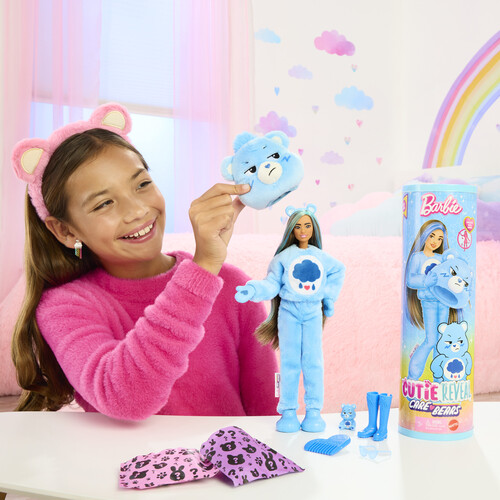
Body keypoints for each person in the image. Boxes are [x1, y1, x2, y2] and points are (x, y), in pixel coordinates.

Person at [10, 102, 277, 420]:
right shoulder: (65, 307)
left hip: (228, 454)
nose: (137, 211)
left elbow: (268, 413)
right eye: (104, 203)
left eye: (142, 184)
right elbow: (125, 399)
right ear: (65, 231)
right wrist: (202, 269)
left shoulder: (235, 287)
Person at [235, 204, 345, 433]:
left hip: (313, 311)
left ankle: (313, 411)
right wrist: (253, 290)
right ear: (291, 230)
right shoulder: (282, 258)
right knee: (289, 362)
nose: (303, 230)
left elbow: (339, 270)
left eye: (307, 226)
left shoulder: (321, 257)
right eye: (298, 226)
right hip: (289, 312)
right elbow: (271, 284)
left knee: (313, 362)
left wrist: (328, 297)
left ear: (314, 228)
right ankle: (288, 411)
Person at [404, 219, 456, 380]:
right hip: (429, 302)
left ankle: (438, 378)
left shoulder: (442, 258)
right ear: (424, 235)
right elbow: (410, 280)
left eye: (439, 239)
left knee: (441, 340)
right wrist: (426, 281)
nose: (435, 241)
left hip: (444, 302)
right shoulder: (417, 257)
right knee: (431, 339)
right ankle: (413, 375)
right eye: (432, 236)